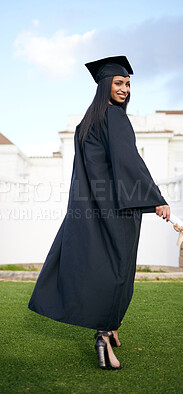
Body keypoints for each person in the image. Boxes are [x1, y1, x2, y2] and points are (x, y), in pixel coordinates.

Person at [28, 55, 170, 370]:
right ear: (106, 84)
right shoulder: (115, 117)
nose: (124, 88)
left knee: (99, 269)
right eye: (118, 83)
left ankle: (110, 325)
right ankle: (104, 336)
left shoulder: (88, 121)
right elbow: (129, 161)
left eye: (128, 84)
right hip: (116, 210)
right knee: (117, 273)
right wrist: (156, 198)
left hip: (91, 208)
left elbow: (93, 170)